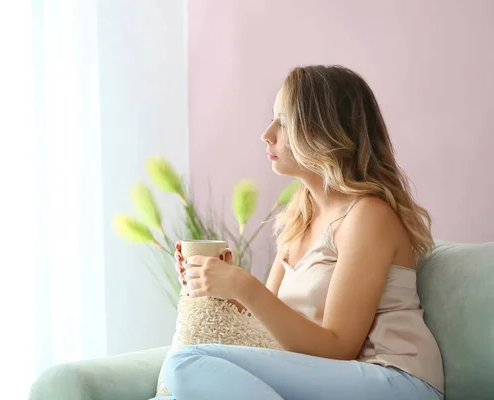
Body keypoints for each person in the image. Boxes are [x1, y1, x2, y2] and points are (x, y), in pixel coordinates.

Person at [155, 65, 444, 400]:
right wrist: (220, 286)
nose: (267, 133)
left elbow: (339, 347)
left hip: (395, 380)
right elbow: (270, 334)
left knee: (184, 365)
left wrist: (246, 286)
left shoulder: (368, 216)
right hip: (329, 378)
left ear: (325, 132)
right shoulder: (299, 218)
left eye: (284, 121)